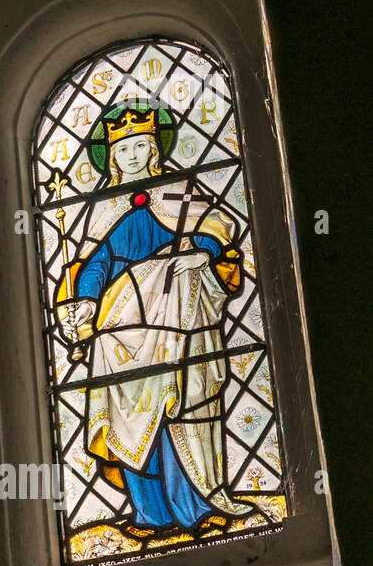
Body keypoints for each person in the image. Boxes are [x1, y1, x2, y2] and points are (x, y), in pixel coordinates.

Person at [62, 105, 254, 537]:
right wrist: (88, 301)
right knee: (130, 418)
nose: (131, 156)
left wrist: (197, 250)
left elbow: (216, 230)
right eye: (122, 149)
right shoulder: (104, 208)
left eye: (139, 147)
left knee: (180, 409)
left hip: (177, 321)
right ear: (112, 158)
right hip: (121, 329)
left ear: (153, 150)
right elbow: (95, 264)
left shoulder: (177, 191)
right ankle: (150, 515)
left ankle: (197, 506)